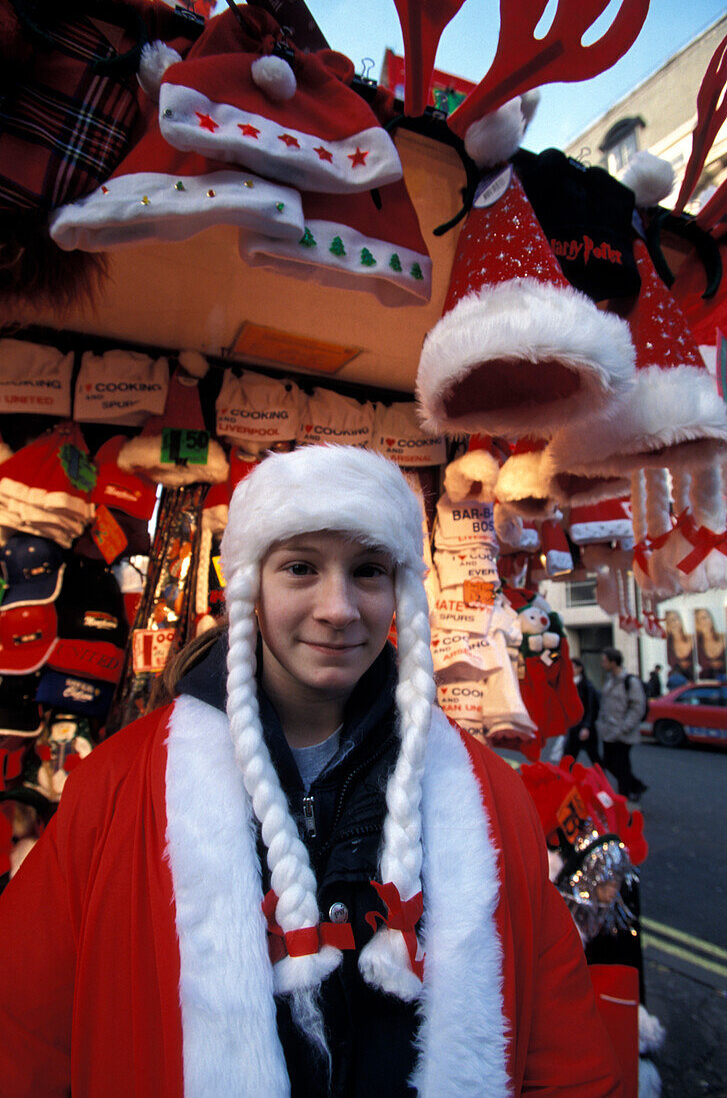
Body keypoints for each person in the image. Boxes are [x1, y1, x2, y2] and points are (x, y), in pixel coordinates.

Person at [0, 446, 623, 1096]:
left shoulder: (489, 797)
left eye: (367, 572)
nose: (338, 607)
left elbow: (563, 1058)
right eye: (300, 568)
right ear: (250, 587)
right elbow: (22, 1035)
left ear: (398, 591)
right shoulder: (120, 786)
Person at [597, 647, 649, 806]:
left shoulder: (630, 682)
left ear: (614, 662)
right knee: (610, 764)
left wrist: (625, 727)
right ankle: (636, 786)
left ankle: (624, 799)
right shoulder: (609, 679)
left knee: (622, 766)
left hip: (623, 733)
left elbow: (637, 707)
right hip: (608, 731)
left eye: (605, 661)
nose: (602, 663)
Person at [562, 657, 602, 765]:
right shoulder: (569, 684)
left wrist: (586, 727)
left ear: (580, 669)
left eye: (573, 667)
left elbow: (591, 708)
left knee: (594, 757)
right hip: (573, 727)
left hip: (585, 727)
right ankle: (564, 780)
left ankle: (600, 779)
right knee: (567, 758)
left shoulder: (587, 686)